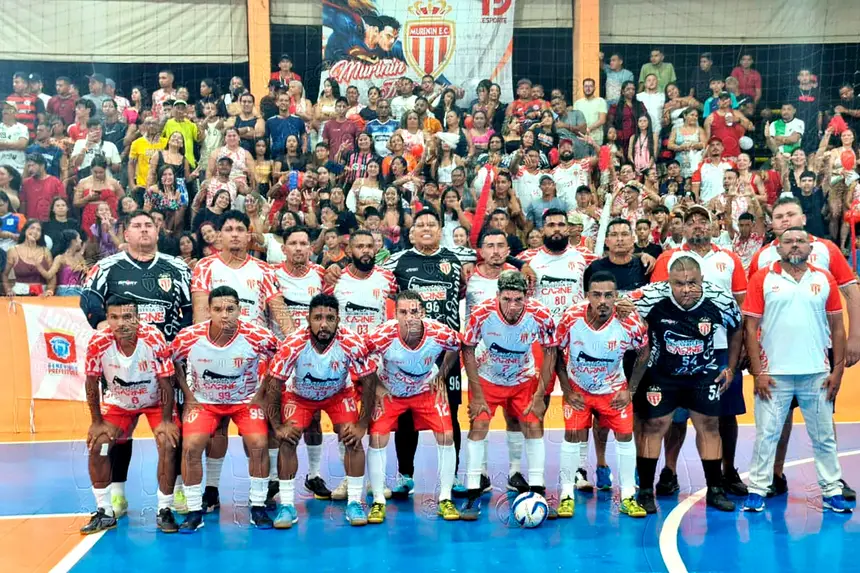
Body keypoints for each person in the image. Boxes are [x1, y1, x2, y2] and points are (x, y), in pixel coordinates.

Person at [748, 197, 860, 498]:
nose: (785, 220)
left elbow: (851, 292)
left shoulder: (826, 249)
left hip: (817, 349)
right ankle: (774, 474)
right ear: (772, 224)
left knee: (823, 419)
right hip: (776, 354)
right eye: (779, 216)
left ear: (804, 219)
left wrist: (856, 336)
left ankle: (834, 480)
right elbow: (752, 311)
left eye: (791, 214)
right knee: (777, 420)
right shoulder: (762, 258)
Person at [630, 253, 743, 513]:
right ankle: (645, 491)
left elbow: (737, 327)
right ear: (668, 282)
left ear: (702, 279)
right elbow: (616, 307)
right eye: (679, 284)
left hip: (702, 374)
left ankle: (715, 489)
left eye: (692, 282)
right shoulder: (649, 296)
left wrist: (730, 367)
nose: (686, 289)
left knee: (709, 426)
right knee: (654, 426)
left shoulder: (720, 298)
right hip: (661, 375)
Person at [170, 286, 280, 531]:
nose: (224, 315)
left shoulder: (258, 335)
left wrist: (262, 393)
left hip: (244, 402)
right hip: (205, 402)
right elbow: (172, 361)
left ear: (240, 310)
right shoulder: (189, 337)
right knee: (191, 447)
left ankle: (258, 506)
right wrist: (188, 395)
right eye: (218, 309)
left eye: (230, 309)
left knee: (259, 443)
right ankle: (194, 511)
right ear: (208, 310)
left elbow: (279, 358)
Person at [265, 293, 380, 528]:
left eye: (330, 318)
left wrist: (362, 424)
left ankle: (354, 502)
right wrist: (277, 426)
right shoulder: (293, 344)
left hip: (338, 395)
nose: (324, 324)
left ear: (338, 320)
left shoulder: (352, 341)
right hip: (300, 397)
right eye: (318, 318)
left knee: (352, 438)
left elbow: (369, 381)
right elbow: (274, 384)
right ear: (308, 320)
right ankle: (287, 505)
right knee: (287, 440)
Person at [459, 270, 557, 519]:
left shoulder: (540, 314)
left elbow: (550, 351)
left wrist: (539, 395)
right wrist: (477, 394)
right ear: (497, 296)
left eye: (518, 300)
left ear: (527, 297)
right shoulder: (482, 313)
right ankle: (473, 492)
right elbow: (467, 349)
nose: (513, 306)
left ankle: (537, 489)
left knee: (532, 425)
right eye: (507, 299)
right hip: (488, 377)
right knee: (479, 425)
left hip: (522, 378)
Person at [553, 271, 650, 518]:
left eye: (608, 295)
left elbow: (644, 352)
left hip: (614, 391)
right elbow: (556, 351)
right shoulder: (571, 317)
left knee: (625, 437)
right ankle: (566, 495)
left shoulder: (629, 321)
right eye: (597, 295)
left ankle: (628, 496)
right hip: (579, 390)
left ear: (616, 296)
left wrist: (630, 390)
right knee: (571, 436)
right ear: (587, 295)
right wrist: (567, 390)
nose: (603, 301)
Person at [80, 297, 180, 534]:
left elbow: (167, 382)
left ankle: (165, 509)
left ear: (138, 318)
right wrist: (96, 422)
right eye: (114, 317)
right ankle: (105, 511)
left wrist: (167, 421)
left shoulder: (153, 338)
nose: (121, 323)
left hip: (155, 401)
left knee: (168, 444)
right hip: (119, 404)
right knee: (99, 445)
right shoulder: (98, 342)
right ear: (107, 319)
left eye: (127, 317)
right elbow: (91, 382)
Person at [365, 291, 461, 523]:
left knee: (447, 435)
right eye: (403, 312)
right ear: (395, 314)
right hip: (391, 393)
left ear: (423, 313)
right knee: (377, 438)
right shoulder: (382, 335)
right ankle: (378, 501)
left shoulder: (439, 332)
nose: (409, 317)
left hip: (425, 390)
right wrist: (377, 386)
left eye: (414, 311)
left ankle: (445, 498)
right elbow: (360, 356)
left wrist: (442, 375)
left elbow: (457, 346)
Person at [271, 225, 332, 500]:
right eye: (293, 243)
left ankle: (314, 475)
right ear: (283, 249)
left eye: (303, 243)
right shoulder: (271, 275)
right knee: (276, 419)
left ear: (311, 248)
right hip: (280, 358)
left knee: (314, 417)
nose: (298, 248)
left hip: (312, 357)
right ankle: (274, 479)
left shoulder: (321, 275)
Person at [584, 219, 650, 292]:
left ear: (633, 240)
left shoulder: (645, 267)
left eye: (624, 234)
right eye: (614, 235)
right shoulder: (594, 268)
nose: (619, 239)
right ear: (606, 241)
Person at [20, 153, 64, 222]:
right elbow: (23, 204)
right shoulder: (26, 183)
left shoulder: (55, 182)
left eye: (33, 165)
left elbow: (61, 203)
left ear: (42, 165)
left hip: (50, 223)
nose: (30, 169)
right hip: (31, 223)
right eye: (28, 166)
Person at [574, 78, 607, 145]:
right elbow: (575, 121)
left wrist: (589, 129)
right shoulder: (577, 103)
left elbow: (602, 120)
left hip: (596, 139)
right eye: (586, 86)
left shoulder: (601, 101)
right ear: (583, 88)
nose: (588, 88)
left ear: (594, 88)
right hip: (581, 138)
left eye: (590, 86)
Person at [0, 100, 30, 174]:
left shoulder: (22, 128)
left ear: (15, 113)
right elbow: (18, 145)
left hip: (18, 168)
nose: (5, 111)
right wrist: (15, 144)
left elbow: (22, 145)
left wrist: (3, 144)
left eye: (8, 108)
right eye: (4, 109)